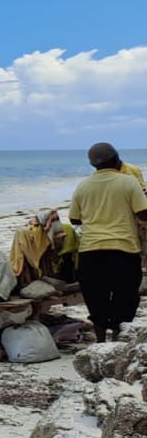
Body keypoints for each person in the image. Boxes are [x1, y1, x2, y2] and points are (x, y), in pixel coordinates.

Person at [70, 143, 147, 342]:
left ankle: (101, 340)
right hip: (123, 249)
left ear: (92, 164)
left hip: (90, 250)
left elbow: (75, 220)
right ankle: (116, 338)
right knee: (126, 296)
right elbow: (143, 213)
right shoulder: (129, 182)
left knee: (97, 298)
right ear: (117, 159)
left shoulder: (83, 186)